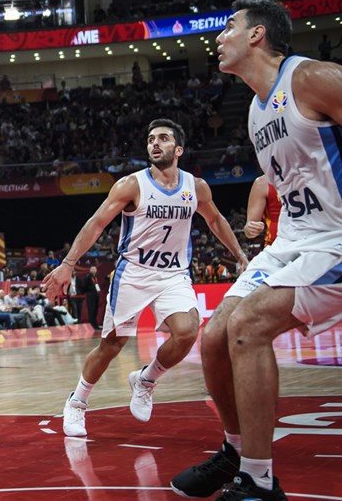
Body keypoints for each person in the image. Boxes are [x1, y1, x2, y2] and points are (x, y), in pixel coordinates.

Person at [171, 0, 342, 500]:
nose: (219, 36)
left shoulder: (311, 78)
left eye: (228, 27)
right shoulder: (253, 109)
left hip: (335, 240)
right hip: (292, 240)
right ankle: (236, 451)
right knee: (214, 338)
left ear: (256, 35)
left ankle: (260, 481)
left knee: (249, 325)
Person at [43, 118, 249, 441]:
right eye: (151, 138)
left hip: (173, 274)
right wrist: (68, 263)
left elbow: (216, 220)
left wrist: (239, 254)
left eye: (163, 138)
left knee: (187, 332)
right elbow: (97, 223)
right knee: (112, 345)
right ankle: (77, 401)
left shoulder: (196, 188)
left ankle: (146, 379)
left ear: (178, 149)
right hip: (134, 273)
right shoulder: (131, 185)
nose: (155, 143)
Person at [244, 174, 281, 248]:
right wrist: (250, 228)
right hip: (276, 245)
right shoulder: (262, 183)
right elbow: (248, 230)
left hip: (307, 243)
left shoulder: (309, 178)